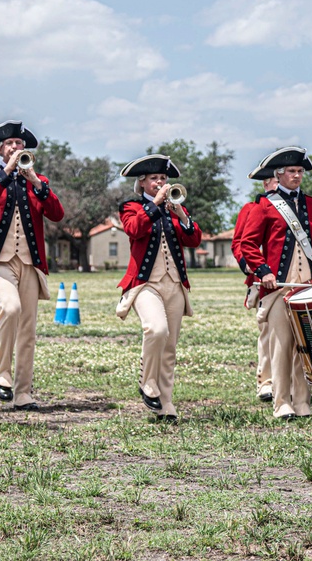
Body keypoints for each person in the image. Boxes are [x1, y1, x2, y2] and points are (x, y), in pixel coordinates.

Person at [239, 146, 312, 420]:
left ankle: (302, 403)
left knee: (305, 347)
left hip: (309, 288)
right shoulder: (264, 205)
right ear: (279, 174)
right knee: (280, 346)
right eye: (291, 171)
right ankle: (282, 403)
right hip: (278, 289)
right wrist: (263, 270)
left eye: (300, 171)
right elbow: (247, 244)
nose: (297, 175)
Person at [0, 121, 64, 411]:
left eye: (19, 144)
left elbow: (56, 213)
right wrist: (6, 173)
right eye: (11, 144)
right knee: (10, 309)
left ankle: (23, 391)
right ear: (0, 150)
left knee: (28, 329)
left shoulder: (37, 181)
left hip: (30, 262)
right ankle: (0, 373)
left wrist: (37, 182)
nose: (16, 148)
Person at [116, 154, 202, 422]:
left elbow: (194, 240)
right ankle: (147, 381)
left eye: (164, 178)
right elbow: (134, 229)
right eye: (155, 179)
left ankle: (165, 403)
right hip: (145, 283)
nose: (161, 183)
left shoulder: (175, 208)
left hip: (175, 283)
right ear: (142, 183)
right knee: (156, 330)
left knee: (170, 345)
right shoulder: (131, 206)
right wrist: (154, 204)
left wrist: (182, 217)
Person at [231, 164, 279, 402]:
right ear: (266, 183)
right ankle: (266, 382)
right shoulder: (253, 208)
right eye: (274, 180)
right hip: (266, 281)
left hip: (297, 280)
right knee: (268, 333)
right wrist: (249, 265)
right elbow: (239, 243)